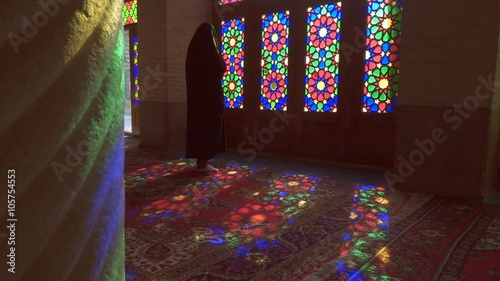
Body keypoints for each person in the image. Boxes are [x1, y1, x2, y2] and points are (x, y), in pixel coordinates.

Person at [185, 23, 226, 172]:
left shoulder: (194, 50)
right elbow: (221, 67)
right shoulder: (209, 51)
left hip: (198, 101)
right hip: (209, 100)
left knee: (200, 128)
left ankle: (201, 161)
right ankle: (203, 162)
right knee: (208, 128)